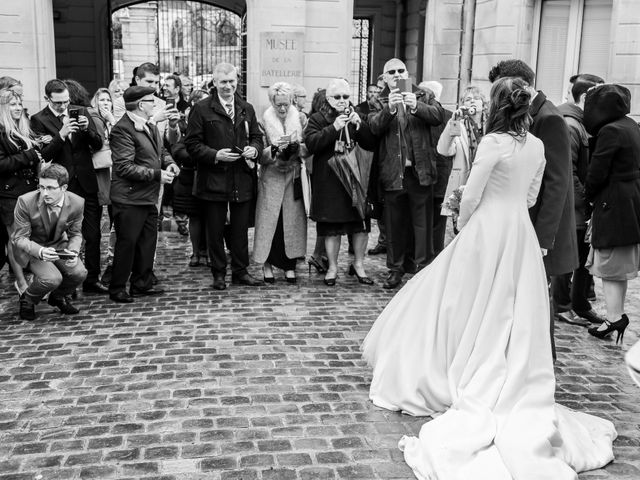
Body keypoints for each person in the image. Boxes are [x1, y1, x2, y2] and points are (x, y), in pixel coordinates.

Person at [362, 76, 616, 480]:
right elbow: (532, 196)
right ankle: (495, 364)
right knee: (507, 306)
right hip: (519, 232)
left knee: (459, 298)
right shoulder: (534, 145)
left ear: (498, 105)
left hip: (486, 229)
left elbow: (473, 191)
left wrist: (464, 224)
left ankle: (452, 364)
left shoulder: (493, 143)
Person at [489, 59, 577, 360]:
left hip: (540, 229)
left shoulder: (549, 118)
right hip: (520, 223)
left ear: (521, 85)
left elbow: (557, 183)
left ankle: (540, 361)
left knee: (537, 299)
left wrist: (541, 240)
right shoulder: (526, 113)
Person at [184, 62, 264, 291]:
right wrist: (215, 155)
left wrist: (254, 149)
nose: (228, 86)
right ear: (215, 83)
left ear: (237, 81)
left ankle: (240, 271)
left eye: (231, 81)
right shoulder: (202, 108)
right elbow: (192, 144)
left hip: (241, 177)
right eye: (223, 82)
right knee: (215, 230)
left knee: (239, 229)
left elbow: (257, 137)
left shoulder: (246, 108)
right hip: (213, 179)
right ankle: (218, 273)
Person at [369, 58, 445, 289]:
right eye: (391, 72)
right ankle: (395, 268)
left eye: (401, 70)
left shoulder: (422, 95)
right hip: (393, 172)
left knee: (422, 224)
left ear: (407, 73)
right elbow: (372, 128)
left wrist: (416, 106)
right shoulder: (378, 100)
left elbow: (438, 116)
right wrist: (389, 109)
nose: (397, 75)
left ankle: (422, 268)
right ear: (384, 77)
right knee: (394, 224)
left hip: (419, 171)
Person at [30, 79, 108, 295]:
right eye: (58, 103)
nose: (64, 106)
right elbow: (43, 156)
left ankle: (92, 279)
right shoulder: (38, 120)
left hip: (86, 182)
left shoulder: (80, 111)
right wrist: (61, 134)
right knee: (62, 237)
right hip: (61, 187)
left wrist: (86, 130)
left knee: (92, 235)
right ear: (47, 99)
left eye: (66, 101)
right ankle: (68, 283)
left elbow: (98, 144)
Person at [108, 86, 180, 303]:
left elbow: (161, 151)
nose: (155, 103)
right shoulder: (122, 129)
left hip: (148, 195)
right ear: (141, 105)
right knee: (127, 243)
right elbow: (124, 167)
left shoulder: (150, 124)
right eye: (151, 100)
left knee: (148, 242)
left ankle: (141, 283)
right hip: (129, 198)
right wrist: (158, 175)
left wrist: (170, 163)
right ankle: (118, 287)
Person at [304, 78, 376, 286]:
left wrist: (360, 125)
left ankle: (359, 264)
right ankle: (333, 267)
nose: (342, 101)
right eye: (337, 97)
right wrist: (334, 127)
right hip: (330, 181)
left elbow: (371, 143)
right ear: (328, 98)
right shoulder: (318, 118)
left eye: (346, 96)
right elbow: (311, 143)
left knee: (360, 224)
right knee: (332, 227)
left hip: (355, 179)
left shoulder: (357, 116)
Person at [584, 84, 640, 343]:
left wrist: (589, 196)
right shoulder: (630, 125)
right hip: (630, 201)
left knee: (608, 265)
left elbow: (597, 172)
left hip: (612, 203)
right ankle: (616, 317)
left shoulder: (610, 131)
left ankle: (615, 318)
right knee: (618, 266)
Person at [554, 74, 606, 326]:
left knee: (581, 255)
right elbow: (568, 171)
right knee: (569, 254)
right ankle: (562, 305)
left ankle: (579, 304)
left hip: (579, 203)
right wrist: (585, 202)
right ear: (585, 97)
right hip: (572, 205)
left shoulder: (581, 123)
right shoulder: (571, 125)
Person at [12, 164, 87, 320]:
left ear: (64, 187)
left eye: (51, 188)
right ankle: (27, 299)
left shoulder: (77, 202)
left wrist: (73, 251)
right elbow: (19, 237)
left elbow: (76, 233)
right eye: (41, 187)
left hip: (59, 245)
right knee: (52, 278)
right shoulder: (25, 201)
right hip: (32, 248)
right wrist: (39, 251)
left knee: (80, 273)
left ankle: (58, 297)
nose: (44, 193)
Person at [253, 82, 307, 284]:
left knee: (291, 222)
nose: (283, 109)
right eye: (278, 105)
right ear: (272, 103)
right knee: (270, 223)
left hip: (292, 176)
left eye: (286, 104)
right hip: (272, 177)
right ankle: (266, 264)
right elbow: (260, 153)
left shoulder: (300, 118)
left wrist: (296, 147)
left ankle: (289, 265)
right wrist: (274, 149)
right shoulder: (263, 120)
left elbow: (308, 147)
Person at [0, 89, 41, 296]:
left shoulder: (22, 129)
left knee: (31, 239)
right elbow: (1, 164)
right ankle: (21, 282)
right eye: (12, 105)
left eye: (19, 104)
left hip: (30, 191)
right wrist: (30, 155)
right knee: (16, 241)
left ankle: (33, 276)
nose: (17, 108)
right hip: (9, 195)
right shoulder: (1, 131)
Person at [168, 88, 209, 267]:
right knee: (195, 217)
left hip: (209, 176)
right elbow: (176, 148)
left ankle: (207, 251)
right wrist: (199, 155)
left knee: (210, 217)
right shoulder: (185, 124)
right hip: (190, 177)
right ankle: (195, 252)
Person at [438, 86, 486, 222]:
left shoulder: (492, 126)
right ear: (462, 104)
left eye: (477, 99)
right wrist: (454, 122)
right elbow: (443, 150)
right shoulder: (458, 125)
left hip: (486, 188)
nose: (472, 102)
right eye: (468, 99)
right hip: (464, 188)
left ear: (483, 103)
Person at [418, 81, 452, 255]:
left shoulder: (447, 116)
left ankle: (430, 256)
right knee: (432, 221)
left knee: (433, 221)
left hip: (437, 174)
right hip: (431, 175)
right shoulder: (448, 115)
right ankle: (431, 255)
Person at [356, 83, 386, 257]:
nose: (374, 94)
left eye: (377, 92)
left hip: (382, 158)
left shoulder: (384, 106)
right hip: (367, 159)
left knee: (384, 205)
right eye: (371, 92)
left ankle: (385, 240)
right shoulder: (360, 109)